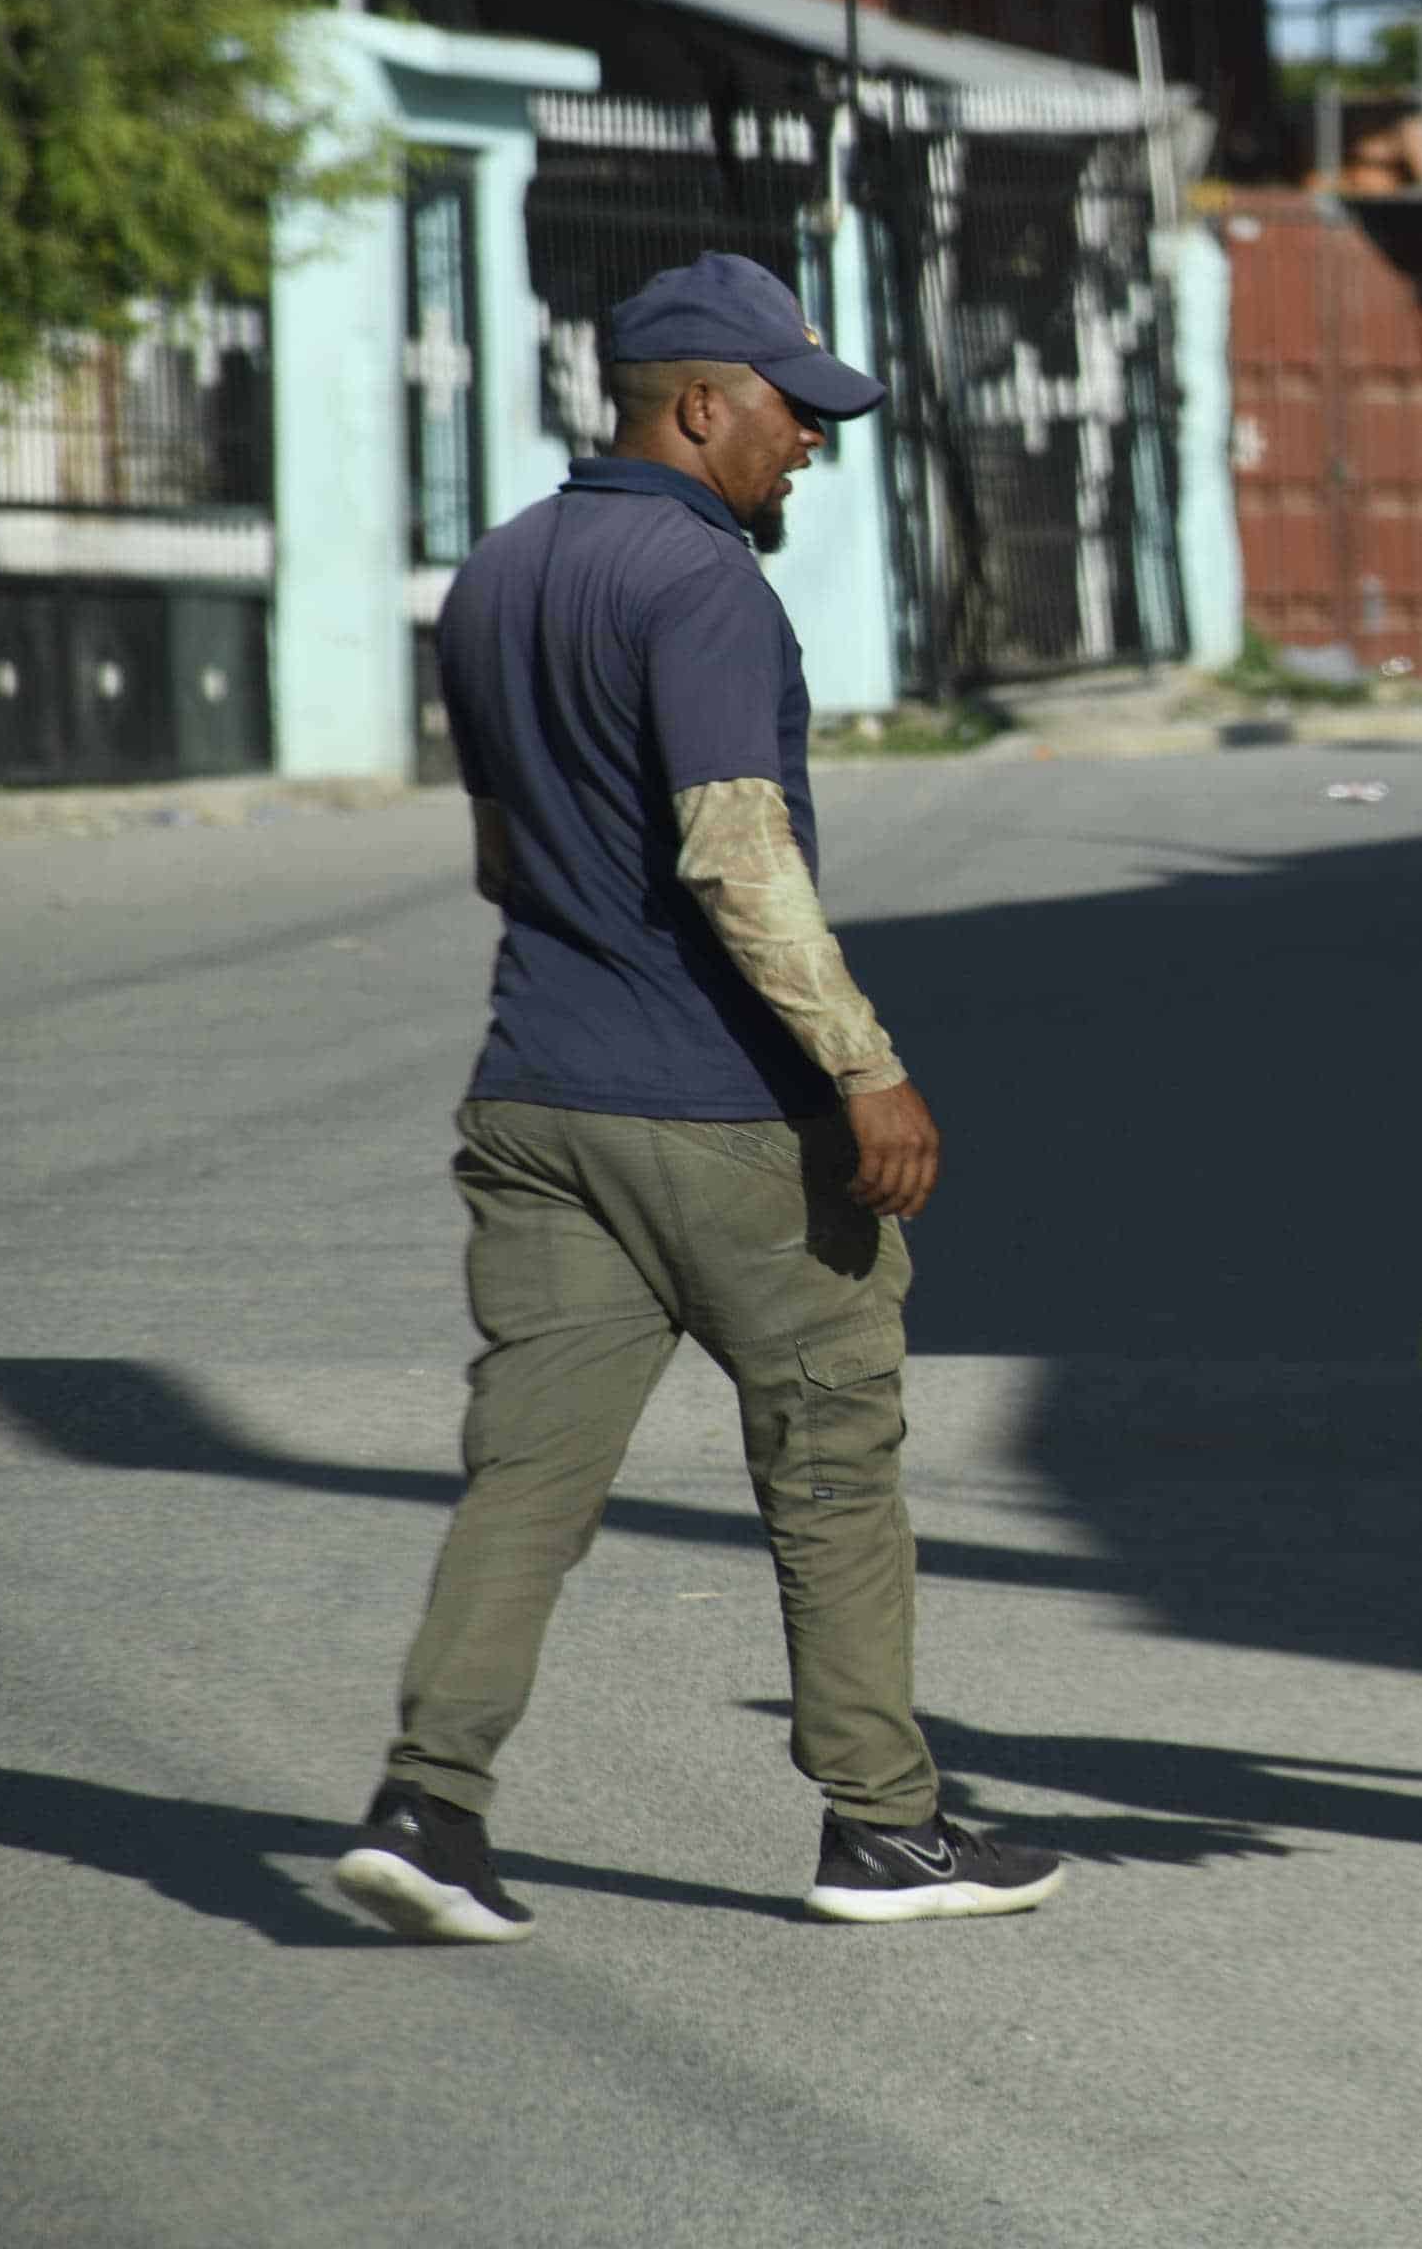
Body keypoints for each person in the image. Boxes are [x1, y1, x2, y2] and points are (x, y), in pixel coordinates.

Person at [336, 252, 1059, 1943]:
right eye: (792, 414)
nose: (811, 442)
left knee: (526, 1474)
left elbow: (505, 854)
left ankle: (429, 1804)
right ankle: (883, 1824)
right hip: (721, 1108)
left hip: (535, 1093)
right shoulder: (705, 581)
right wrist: (866, 1070)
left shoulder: (497, 574)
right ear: (695, 404)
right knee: (832, 1456)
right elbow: (739, 855)